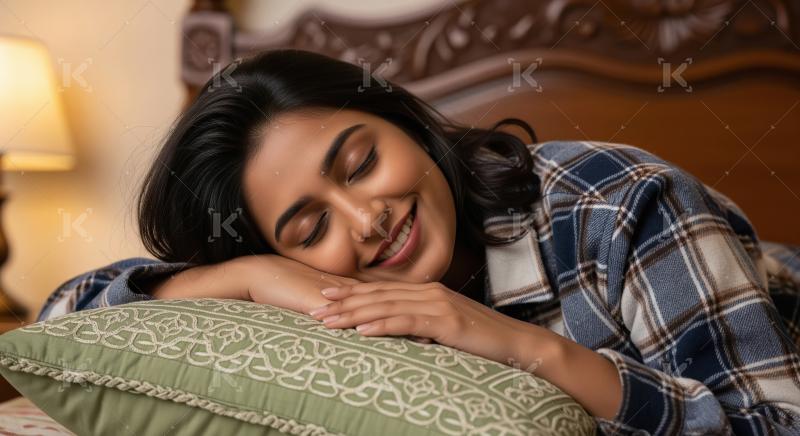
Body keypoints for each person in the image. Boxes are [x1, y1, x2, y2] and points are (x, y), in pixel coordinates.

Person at [36, 49, 800, 435]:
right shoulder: (292, 285)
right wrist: (248, 278)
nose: (365, 219)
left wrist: (527, 350)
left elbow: (775, 424)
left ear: (403, 120)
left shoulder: (617, 202)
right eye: (309, 227)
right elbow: (61, 323)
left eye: (362, 162)